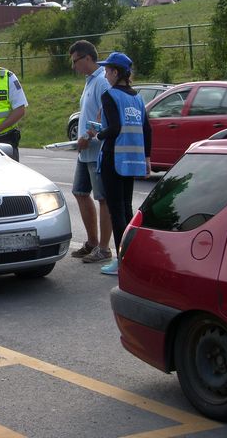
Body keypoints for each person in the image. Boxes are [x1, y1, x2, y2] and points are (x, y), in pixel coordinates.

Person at [91, 52, 152, 276]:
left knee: (116, 212)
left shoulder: (110, 95)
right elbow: (147, 128)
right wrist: (147, 157)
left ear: (116, 72)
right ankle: (131, 257)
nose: (105, 74)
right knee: (126, 210)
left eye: (107, 70)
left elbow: (114, 129)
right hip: (132, 161)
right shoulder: (137, 97)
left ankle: (121, 261)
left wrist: (98, 134)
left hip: (113, 159)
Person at [67, 40, 113, 264]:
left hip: (98, 151)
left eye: (76, 61)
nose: (74, 66)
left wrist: (87, 136)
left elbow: (104, 116)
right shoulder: (90, 81)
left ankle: (104, 248)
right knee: (79, 192)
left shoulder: (103, 81)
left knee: (103, 198)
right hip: (85, 151)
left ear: (87, 58)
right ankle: (92, 242)